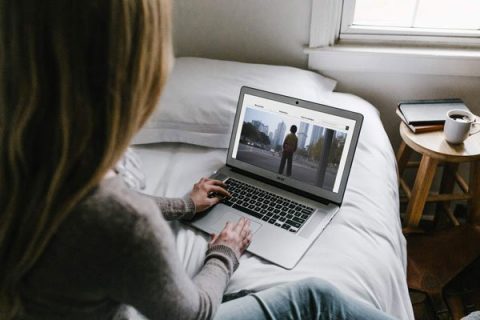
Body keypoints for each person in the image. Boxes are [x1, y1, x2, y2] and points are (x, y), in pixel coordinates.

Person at [0, 1, 396, 319]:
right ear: (134, 73)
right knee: (316, 299)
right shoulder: (126, 225)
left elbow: (83, 208)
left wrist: (184, 205)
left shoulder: (28, 162)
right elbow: (194, 312)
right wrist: (225, 251)